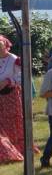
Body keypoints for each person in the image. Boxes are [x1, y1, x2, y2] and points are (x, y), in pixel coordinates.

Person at [0, 35, 26, 163]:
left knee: (12, 121)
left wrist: (8, 81)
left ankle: (16, 148)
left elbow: (21, 77)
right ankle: (5, 150)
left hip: (11, 95)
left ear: (6, 45)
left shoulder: (14, 59)